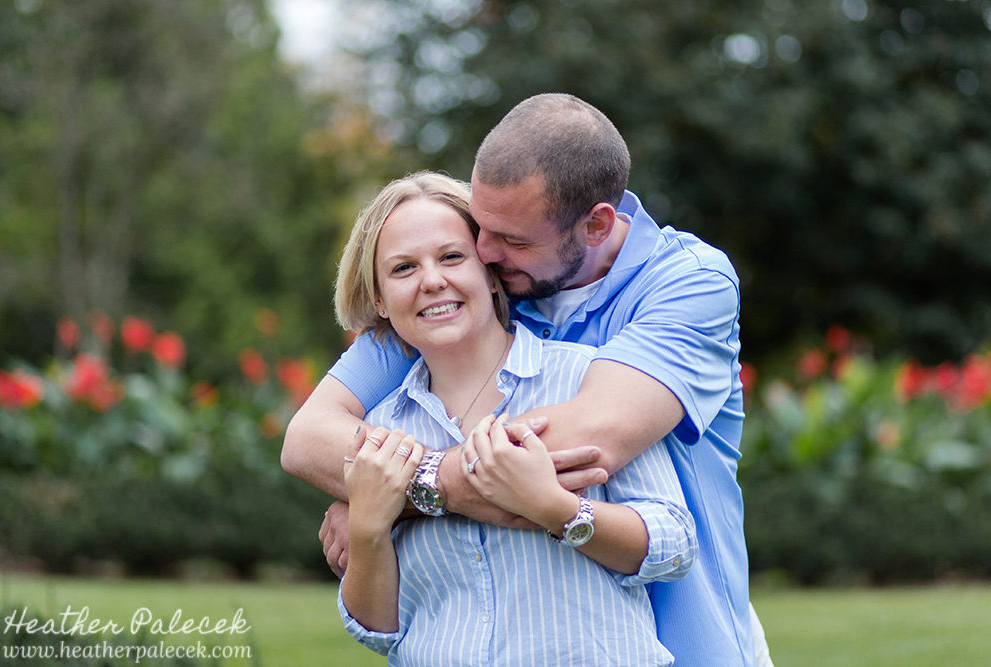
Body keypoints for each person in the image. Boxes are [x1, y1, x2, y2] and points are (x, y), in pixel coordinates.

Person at [283, 93, 772, 666]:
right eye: (481, 230)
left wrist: (399, 494)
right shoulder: (474, 298)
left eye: (510, 240)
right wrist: (379, 498)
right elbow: (309, 438)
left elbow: (584, 442)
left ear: (595, 226)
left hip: (693, 643)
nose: (484, 253)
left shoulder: (688, 283)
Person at [335, 171, 696, 664]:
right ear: (379, 298)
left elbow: (673, 545)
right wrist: (368, 529)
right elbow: (378, 632)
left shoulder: (585, 379)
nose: (432, 280)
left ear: (488, 268)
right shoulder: (380, 436)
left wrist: (558, 510)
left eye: (451, 257)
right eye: (403, 269)